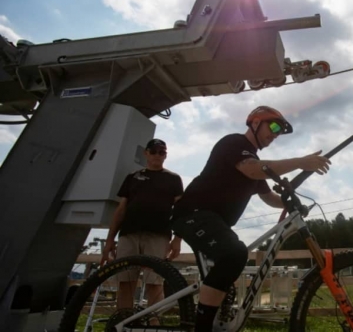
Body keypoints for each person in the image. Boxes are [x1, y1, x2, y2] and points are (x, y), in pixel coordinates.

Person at [171, 106, 331, 331]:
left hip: (214, 223)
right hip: (193, 213)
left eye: (280, 131)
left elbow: (270, 198)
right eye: (274, 126)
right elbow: (254, 170)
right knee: (234, 254)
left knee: (227, 277)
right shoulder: (235, 144)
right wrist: (300, 162)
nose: (275, 134)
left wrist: (292, 203)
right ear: (255, 122)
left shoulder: (255, 162)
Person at [101, 138, 184, 311]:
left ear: (165, 155)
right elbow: (121, 209)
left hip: (158, 235)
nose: (157, 155)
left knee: (154, 282)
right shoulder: (133, 177)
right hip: (129, 234)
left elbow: (182, 210)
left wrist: (178, 238)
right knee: (126, 282)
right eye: (153, 151)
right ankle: (124, 322)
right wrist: (110, 240)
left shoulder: (173, 179)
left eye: (161, 152)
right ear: (146, 153)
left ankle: (152, 323)